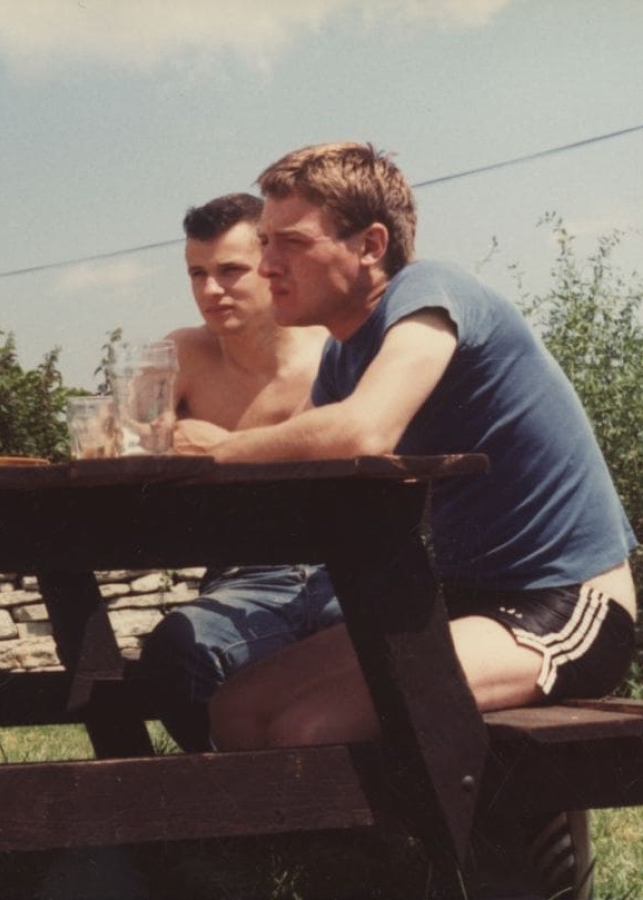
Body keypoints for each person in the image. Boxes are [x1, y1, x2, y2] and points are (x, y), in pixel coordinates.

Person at [175, 142, 635, 898]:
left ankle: (488, 863)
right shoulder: (346, 356)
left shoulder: (430, 296)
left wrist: (223, 451)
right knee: (240, 708)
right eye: (264, 245)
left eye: (290, 243)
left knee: (309, 730)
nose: (265, 268)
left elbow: (360, 432)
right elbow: (309, 472)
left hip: (568, 601)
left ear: (370, 245)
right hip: (464, 601)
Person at [136, 193, 343, 751]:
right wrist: (131, 429)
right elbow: (120, 439)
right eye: (196, 274)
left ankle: (369, 816)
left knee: (391, 647)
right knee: (176, 653)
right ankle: (244, 812)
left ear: (274, 264)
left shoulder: (337, 351)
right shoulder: (181, 355)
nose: (210, 290)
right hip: (245, 575)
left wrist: (227, 446)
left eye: (230, 271)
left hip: (346, 565)